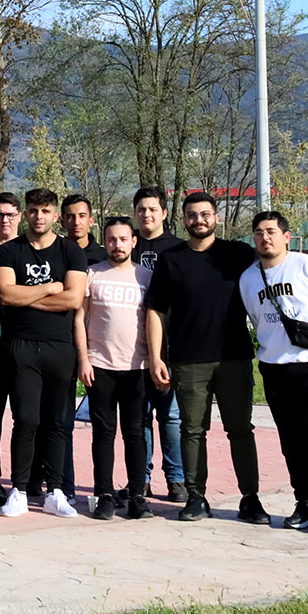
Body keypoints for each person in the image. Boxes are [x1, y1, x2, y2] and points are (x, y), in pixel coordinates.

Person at [145, 192, 268, 524]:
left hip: (234, 358)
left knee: (240, 429)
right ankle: (196, 497)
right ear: (183, 219)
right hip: (188, 360)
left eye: (205, 214)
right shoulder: (172, 259)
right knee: (192, 430)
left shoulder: (239, 254)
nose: (199, 220)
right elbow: (155, 310)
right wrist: (157, 357)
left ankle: (250, 498)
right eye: (192, 215)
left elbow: (276, 261)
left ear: (216, 218)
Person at [241, 210, 308, 534]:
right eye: (258, 232)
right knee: (289, 438)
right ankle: (303, 501)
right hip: (274, 365)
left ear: (286, 236)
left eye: (271, 231)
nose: (265, 237)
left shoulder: (307, 265)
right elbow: (256, 320)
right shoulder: (248, 278)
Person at [0, 188, 87, 519]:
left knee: (57, 422)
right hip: (21, 347)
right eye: (33, 210)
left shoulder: (70, 252)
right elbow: (5, 294)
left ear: (55, 215)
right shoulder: (10, 252)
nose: (39, 216)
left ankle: (55, 491)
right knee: (26, 419)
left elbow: (74, 300)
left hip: (61, 347)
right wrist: (48, 288)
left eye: (45, 211)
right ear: (26, 214)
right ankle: (18, 489)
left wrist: (26, 296)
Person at [79, 217, 153, 520]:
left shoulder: (146, 276)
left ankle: (137, 495)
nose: (117, 245)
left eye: (123, 239)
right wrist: (83, 358)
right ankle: (104, 493)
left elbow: (156, 321)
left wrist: (157, 359)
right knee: (103, 433)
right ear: (105, 241)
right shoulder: (92, 274)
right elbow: (79, 320)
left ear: (133, 241)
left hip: (137, 366)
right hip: (100, 365)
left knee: (135, 432)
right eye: (111, 239)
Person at [131, 187, 188, 503]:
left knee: (170, 417)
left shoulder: (179, 249)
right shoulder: (126, 244)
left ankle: (177, 479)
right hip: (130, 348)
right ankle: (141, 479)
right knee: (138, 418)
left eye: (153, 209)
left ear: (164, 213)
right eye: (141, 209)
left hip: (168, 347)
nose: (147, 214)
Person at [62, 195, 104, 267]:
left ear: (91, 221)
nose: (76, 222)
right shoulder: (54, 255)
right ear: (63, 223)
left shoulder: (104, 258)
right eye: (70, 217)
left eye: (82, 216)